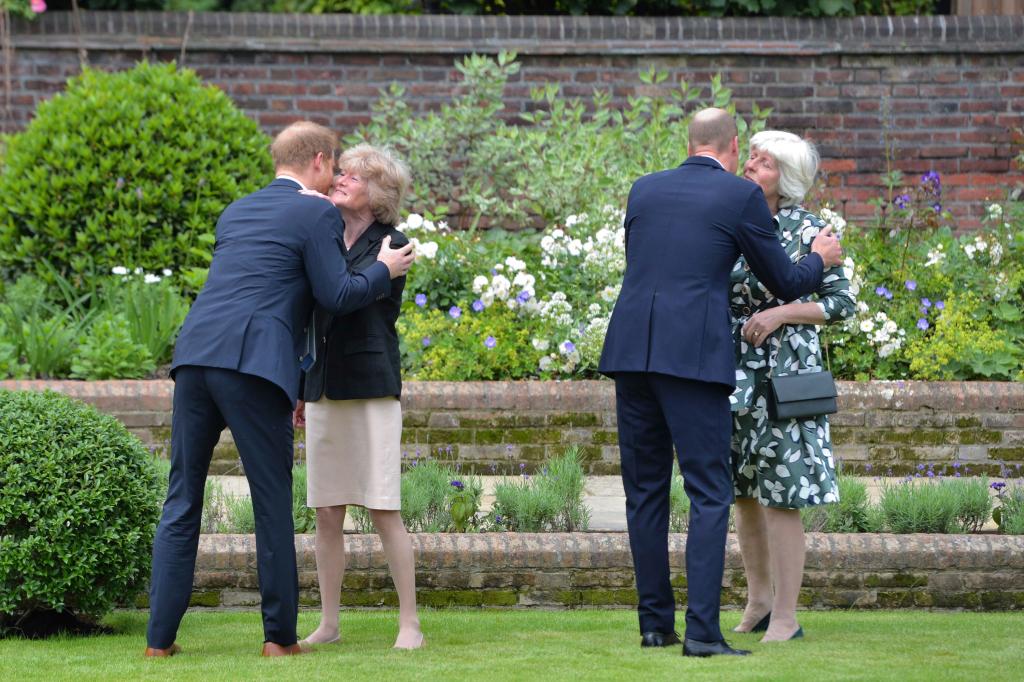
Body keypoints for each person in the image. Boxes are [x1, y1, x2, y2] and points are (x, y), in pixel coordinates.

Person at [145, 122, 415, 658]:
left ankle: (159, 642)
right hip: (253, 366)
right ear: (318, 160)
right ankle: (279, 641)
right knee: (271, 504)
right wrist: (383, 270)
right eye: (333, 165)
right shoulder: (315, 212)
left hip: (195, 357)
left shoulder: (237, 209)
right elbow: (336, 294)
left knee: (180, 501)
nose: (336, 176)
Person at [597, 108, 844, 658]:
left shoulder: (645, 189)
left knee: (645, 494)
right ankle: (704, 633)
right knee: (710, 493)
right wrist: (817, 258)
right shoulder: (739, 198)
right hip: (692, 358)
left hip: (632, 352)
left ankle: (655, 626)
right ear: (732, 145)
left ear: (690, 142)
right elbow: (784, 279)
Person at [293, 144, 424, 650]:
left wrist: (378, 270)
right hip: (324, 387)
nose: (341, 178)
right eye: (341, 172)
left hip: (370, 388)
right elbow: (315, 315)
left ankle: (410, 623)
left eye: (355, 175)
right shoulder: (325, 236)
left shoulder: (396, 243)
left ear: (379, 192)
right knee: (327, 511)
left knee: (384, 506)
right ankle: (328, 624)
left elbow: (345, 297)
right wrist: (305, 387)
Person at [729, 130, 856, 642]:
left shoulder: (811, 231)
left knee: (784, 494)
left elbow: (841, 303)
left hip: (786, 378)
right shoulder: (732, 222)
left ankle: (786, 615)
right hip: (734, 374)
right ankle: (758, 600)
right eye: (753, 157)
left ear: (790, 179)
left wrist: (782, 312)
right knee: (741, 492)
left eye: (765, 162)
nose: (752, 164)